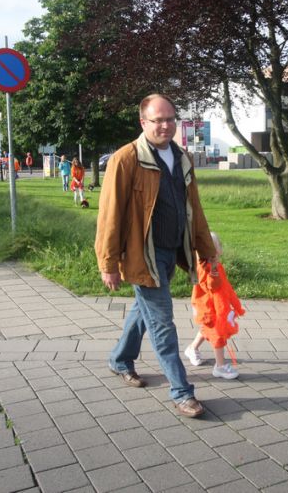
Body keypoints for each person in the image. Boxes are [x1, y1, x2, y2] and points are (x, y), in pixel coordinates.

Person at [95, 94, 217, 419]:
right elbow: (109, 216)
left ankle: (120, 359)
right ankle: (182, 392)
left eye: (170, 119)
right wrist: (108, 263)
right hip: (142, 256)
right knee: (162, 323)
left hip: (172, 252)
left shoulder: (182, 157)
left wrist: (206, 251)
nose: (165, 125)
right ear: (143, 122)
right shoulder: (126, 159)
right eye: (157, 120)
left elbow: (194, 209)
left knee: (143, 312)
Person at [183, 232, 245, 380]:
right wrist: (213, 269)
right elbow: (211, 285)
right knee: (218, 335)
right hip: (208, 308)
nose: (214, 252)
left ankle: (192, 348)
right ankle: (220, 366)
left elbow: (225, 286)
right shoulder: (203, 267)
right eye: (210, 249)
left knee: (208, 329)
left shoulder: (216, 266)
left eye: (215, 248)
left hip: (217, 306)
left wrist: (234, 303)